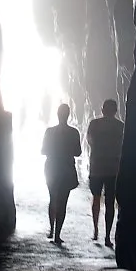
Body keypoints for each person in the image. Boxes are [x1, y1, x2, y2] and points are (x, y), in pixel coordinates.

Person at [85, 97, 124, 247]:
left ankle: (95, 230)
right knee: (109, 201)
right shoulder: (120, 126)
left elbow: (90, 141)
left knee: (95, 198)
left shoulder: (94, 124)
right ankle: (108, 235)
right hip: (113, 168)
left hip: (97, 167)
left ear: (102, 110)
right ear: (115, 111)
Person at [40, 101, 81, 246]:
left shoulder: (50, 132)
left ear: (57, 115)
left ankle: (51, 229)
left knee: (53, 198)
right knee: (63, 201)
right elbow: (78, 152)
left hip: (51, 167)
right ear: (69, 115)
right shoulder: (74, 132)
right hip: (66, 168)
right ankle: (57, 234)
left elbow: (43, 151)